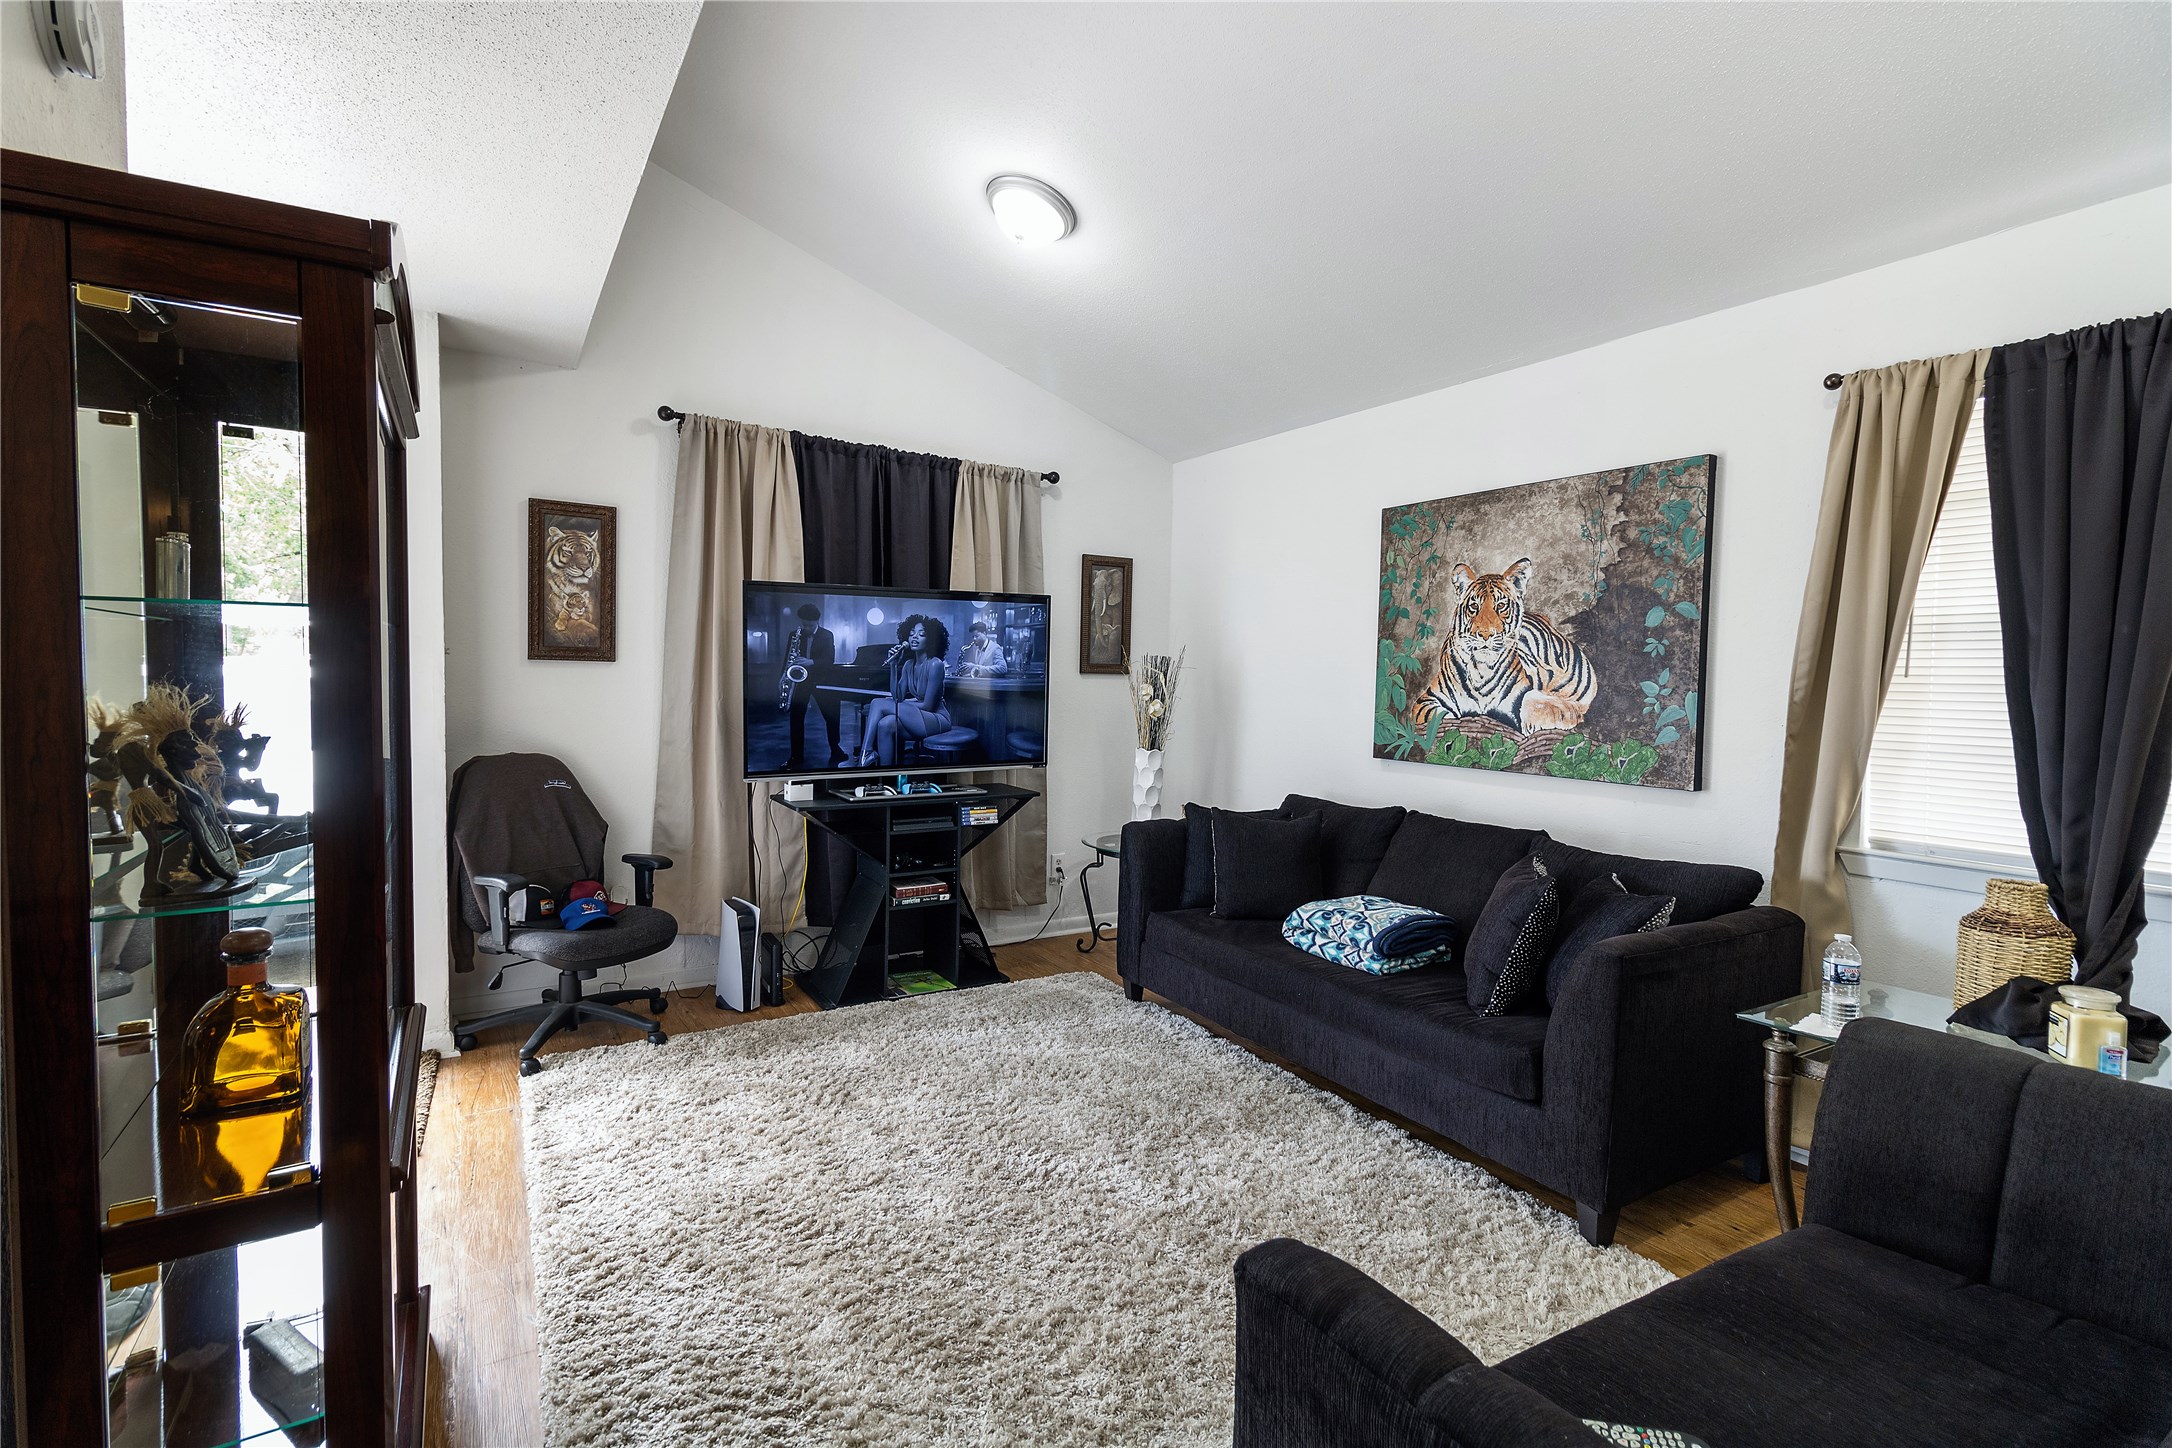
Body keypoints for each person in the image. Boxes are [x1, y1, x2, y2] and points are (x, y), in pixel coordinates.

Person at [856, 615, 951, 767]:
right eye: (912, 633)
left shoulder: (935, 664)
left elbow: (927, 706)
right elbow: (898, 697)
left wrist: (894, 706)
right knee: (885, 724)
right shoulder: (908, 665)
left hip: (936, 718)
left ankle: (865, 752)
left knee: (878, 703)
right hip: (918, 717)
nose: (915, 637)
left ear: (931, 639)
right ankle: (886, 774)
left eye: (921, 634)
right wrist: (893, 665)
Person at [781, 603, 843, 770]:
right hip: (800, 681)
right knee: (796, 719)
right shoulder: (795, 634)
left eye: (809, 625)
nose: (806, 628)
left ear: (817, 621)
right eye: (804, 624)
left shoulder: (827, 635)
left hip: (822, 680)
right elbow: (788, 657)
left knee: (831, 716)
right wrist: (783, 677)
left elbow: (829, 660)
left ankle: (836, 749)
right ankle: (796, 756)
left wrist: (811, 662)